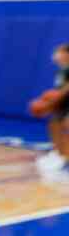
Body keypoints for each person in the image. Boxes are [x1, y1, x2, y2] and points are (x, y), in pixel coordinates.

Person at [34, 43, 69, 176]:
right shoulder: (61, 71)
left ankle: (65, 160)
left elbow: (66, 90)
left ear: (66, 54)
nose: (56, 55)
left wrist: (51, 102)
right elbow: (59, 90)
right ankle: (60, 155)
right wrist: (49, 102)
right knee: (54, 125)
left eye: (59, 52)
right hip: (63, 104)